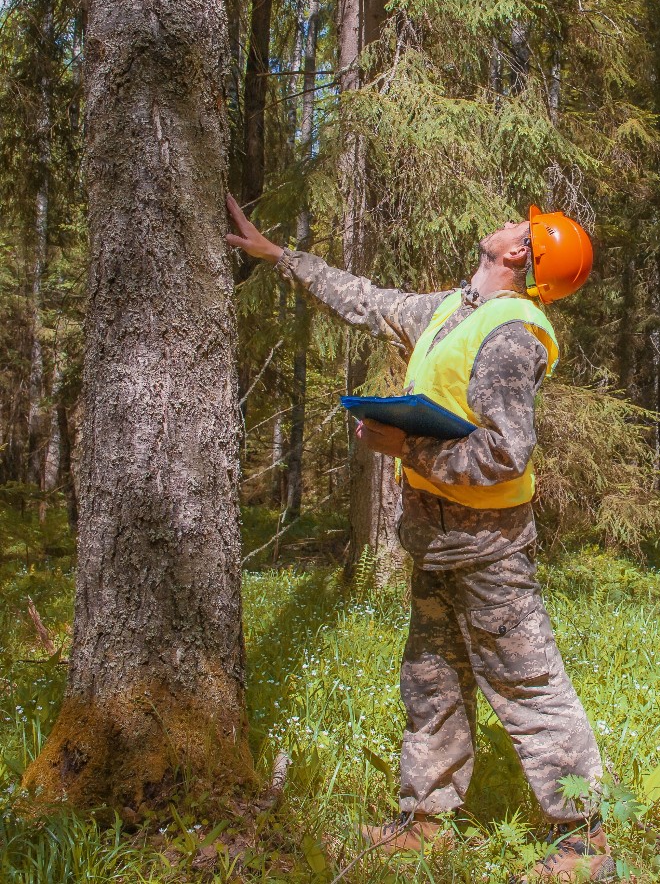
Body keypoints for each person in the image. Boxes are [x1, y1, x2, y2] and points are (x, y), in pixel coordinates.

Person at [226, 195, 614, 882]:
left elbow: (507, 453)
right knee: (431, 681)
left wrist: (409, 448)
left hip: (489, 548)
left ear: (520, 254)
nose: (505, 224)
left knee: (528, 686)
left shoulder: (509, 337)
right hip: (436, 543)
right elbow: (369, 301)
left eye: (518, 227)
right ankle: (426, 822)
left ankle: (585, 844)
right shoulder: (452, 310)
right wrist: (280, 258)